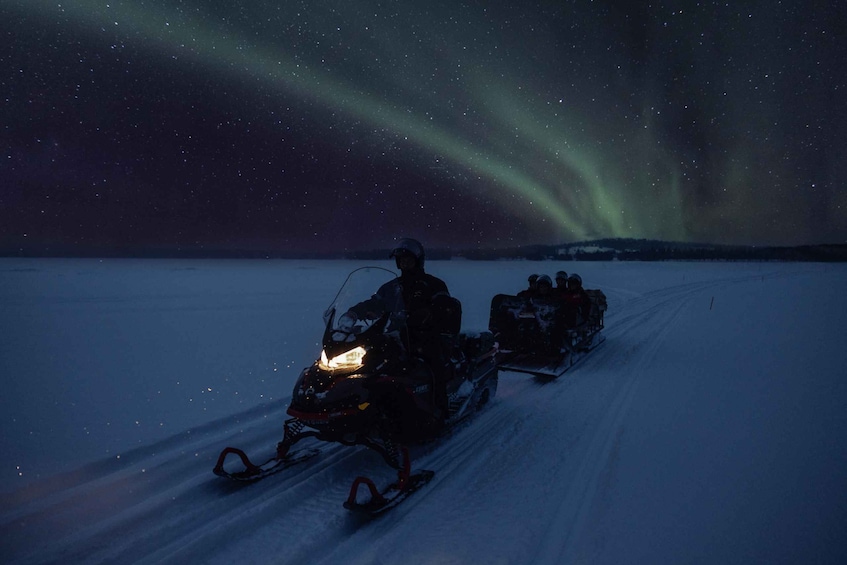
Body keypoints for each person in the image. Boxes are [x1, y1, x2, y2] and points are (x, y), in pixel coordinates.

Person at [339, 238, 457, 415]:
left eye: (408, 259)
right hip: (395, 335)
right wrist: (354, 313)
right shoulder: (391, 287)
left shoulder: (432, 284)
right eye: (401, 260)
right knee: (369, 363)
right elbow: (375, 303)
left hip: (425, 336)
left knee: (433, 365)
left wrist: (428, 313)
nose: (404, 263)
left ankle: (438, 409)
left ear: (418, 260)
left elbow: (444, 305)